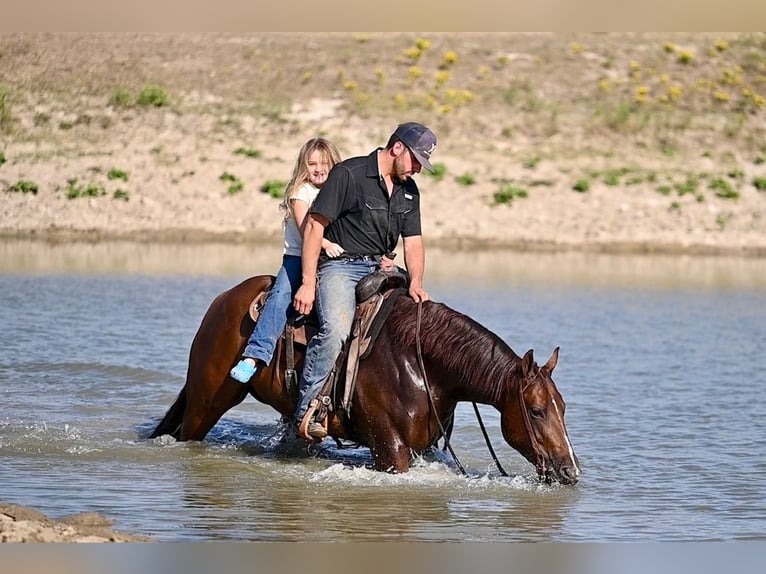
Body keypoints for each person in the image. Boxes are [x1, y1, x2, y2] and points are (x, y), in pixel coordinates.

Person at [292, 121, 437, 439]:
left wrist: (416, 282)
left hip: (383, 271)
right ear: (397, 148)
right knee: (336, 331)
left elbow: (412, 242)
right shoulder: (349, 174)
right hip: (340, 268)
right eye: (416, 161)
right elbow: (315, 227)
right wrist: (306, 281)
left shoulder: (409, 191)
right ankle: (306, 412)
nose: (418, 170)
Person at [229, 137, 343, 384]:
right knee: (280, 297)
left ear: (335, 164)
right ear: (304, 166)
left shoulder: (337, 191)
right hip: (298, 256)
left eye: (325, 163)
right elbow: (306, 229)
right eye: (312, 163)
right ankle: (255, 355)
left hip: (330, 261)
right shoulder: (301, 192)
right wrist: (326, 244)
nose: (319, 168)